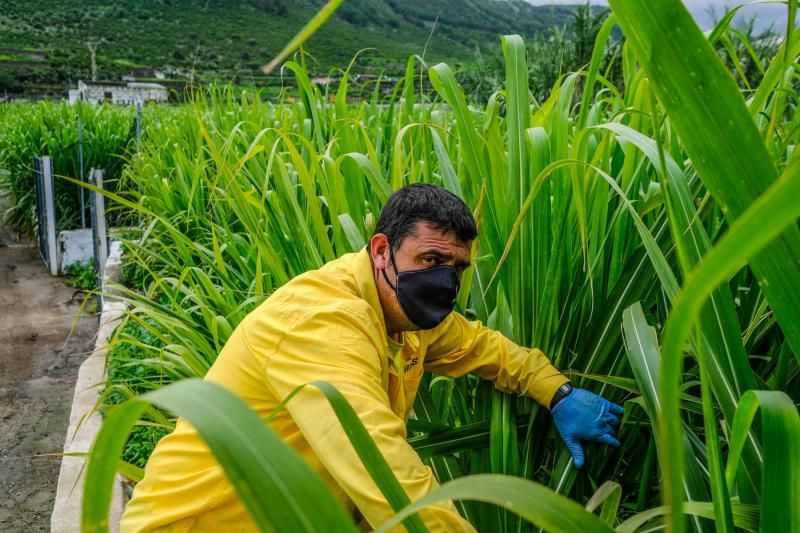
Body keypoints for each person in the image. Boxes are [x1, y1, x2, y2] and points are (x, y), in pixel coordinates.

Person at [121, 183, 623, 532]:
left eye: (457, 267)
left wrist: (556, 392)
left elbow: (479, 346)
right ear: (381, 250)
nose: (445, 280)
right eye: (430, 260)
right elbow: (379, 462)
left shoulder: (405, 315)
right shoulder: (322, 321)